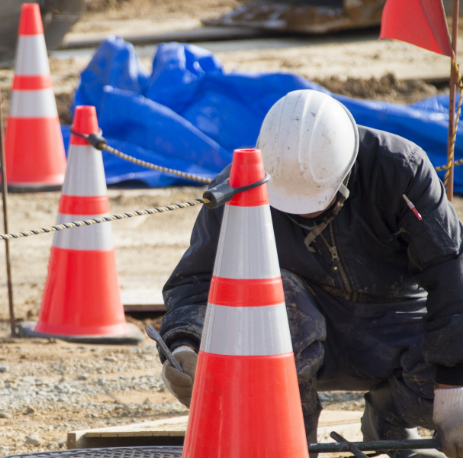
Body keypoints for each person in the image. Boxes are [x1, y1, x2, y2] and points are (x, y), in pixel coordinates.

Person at [159, 90, 463, 458]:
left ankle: (390, 416)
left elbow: (451, 274)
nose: (305, 216)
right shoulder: (238, 187)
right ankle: (288, 440)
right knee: (273, 293)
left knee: (451, 358)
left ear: (345, 170)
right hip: (291, 333)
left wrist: (453, 389)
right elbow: (195, 281)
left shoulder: (398, 169)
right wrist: (185, 344)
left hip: (395, 323)